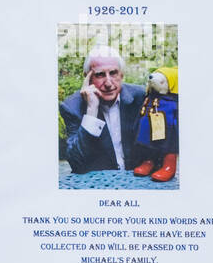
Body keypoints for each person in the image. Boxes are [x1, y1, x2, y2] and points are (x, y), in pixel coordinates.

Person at [60, 45, 145, 174]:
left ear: (121, 74)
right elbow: (77, 163)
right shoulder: (72, 107)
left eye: (113, 73)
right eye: (100, 75)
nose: (108, 83)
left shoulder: (141, 98)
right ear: (87, 78)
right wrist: (91, 111)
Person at [133, 67, 179, 182]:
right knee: (147, 144)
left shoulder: (173, 101)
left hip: (167, 130)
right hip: (148, 130)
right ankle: (148, 162)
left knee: (168, 146)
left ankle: (169, 166)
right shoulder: (148, 98)